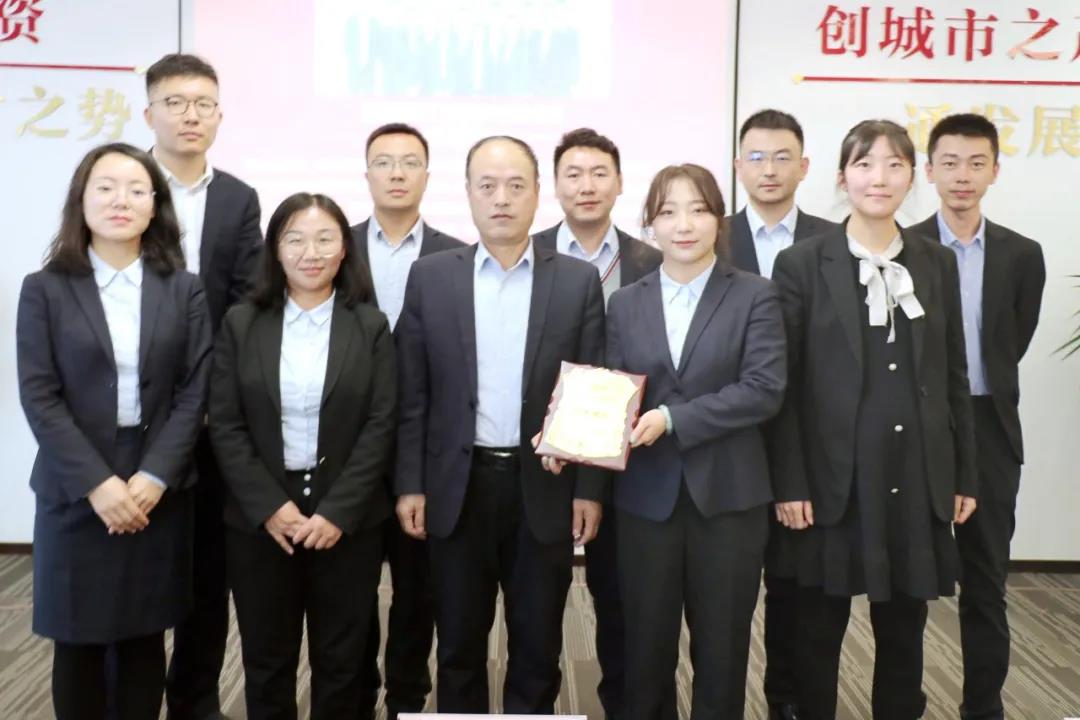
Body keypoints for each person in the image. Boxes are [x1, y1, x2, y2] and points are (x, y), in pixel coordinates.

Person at [770, 119, 978, 720]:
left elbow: (953, 376)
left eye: (893, 165)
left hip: (915, 474)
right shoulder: (802, 263)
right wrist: (790, 482)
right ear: (842, 177)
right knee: (817, 631)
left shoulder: (935, 262)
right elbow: (785, 387)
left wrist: (961, 474)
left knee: (904, 631)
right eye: (864, 164)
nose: (878, 178)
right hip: (831, 479)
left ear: (913, 177)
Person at [394, 135, 606, 713]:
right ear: (467, 193)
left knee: (538, 647)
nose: (502, 199)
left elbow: (591, 389)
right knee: (458, 646)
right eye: (487, 186)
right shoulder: (431, 277)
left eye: (516, 186)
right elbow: (412, 394)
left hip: (545, 485)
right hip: (456, 487)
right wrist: (410, 483)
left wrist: (589, 489)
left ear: (538, 193)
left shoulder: (577, 281)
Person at [16, 142, 212, 720]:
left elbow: (194, 390)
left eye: (135, 189)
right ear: (81, 200)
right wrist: (97, 484)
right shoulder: (45, 288)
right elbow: (40, 395)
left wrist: (155, 476)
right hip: (75, 487)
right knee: (76, 640)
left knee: (142, 638)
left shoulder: (184, 288)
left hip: (156, 486)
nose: (120, 200)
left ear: (155, 206)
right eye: (105, 188)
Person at [600, 164, 786, 719]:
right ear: (650, 224)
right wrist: (568, 433)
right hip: (645, 500)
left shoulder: (755, 295)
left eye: (699, 210)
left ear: (719, 220)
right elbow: (612, 392)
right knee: (645, 648)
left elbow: (763, 390)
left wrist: (672, 419)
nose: (683, 224)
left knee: (722, 650)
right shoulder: (625, 302)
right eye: (668, 212)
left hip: (728, 499)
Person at [209, 193, 396, 719]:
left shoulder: (370, 325)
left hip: (347, 518)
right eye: (294, 239)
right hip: (262, 519)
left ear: (345, 250)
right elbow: (226, 423)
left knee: (343, 661)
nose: (310, 253)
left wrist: (338, 511)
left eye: (324, 239)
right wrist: (269, 506)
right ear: (275, 249)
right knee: (267, 661)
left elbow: (381, 424)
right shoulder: (241, 323)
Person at [911, 113, 1045, 720]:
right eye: (950, 163)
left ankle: (983, 707)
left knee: (986, 581)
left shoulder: (1022, 255)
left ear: (995, 170)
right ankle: (902, 702)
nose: (962, 176)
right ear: (929, 171)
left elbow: (1011, 343)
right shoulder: (903, 248)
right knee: (910, 582)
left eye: (976, 163)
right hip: (916, 427)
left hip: (989, 429)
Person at [143, 52, 263, 720]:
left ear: (219, 115)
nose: (190, 115)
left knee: (208, 573)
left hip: (212, 416)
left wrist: (213, 400)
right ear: (150, 113)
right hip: (136, 416)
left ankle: (195, 700)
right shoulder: (124, 185)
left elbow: (244, 305)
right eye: (176, 102)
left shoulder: (239, 198)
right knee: (134, 566)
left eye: (203, 104)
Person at [531, 127, 661, 719]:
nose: (586, 185)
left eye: (599, 173)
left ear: (620, 182)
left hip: (633, 461)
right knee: (534, 609)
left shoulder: (652, 260)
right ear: (554, 185)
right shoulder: (527, 253)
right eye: (573, 174)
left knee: (622, 602)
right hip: (546, 458)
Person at [349, 122, 463, 720]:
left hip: (426, 447)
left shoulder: (456, 255)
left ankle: (406, 699)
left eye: (410, 162)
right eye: (384, 162)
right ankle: (356, 692)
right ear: (366, 173)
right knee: (351, 586)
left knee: (418, 587)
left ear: (427, 175)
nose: (396, 173)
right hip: (349, 450)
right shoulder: (333, 246)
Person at [730, 108, 835, 720]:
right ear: (738, 165)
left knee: (797, 587)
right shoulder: (709, 234)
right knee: (727, 589)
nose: (768, 169)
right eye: (756, 157)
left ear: (804, 166)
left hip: (809, 442)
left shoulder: (834, 241)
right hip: (731, 438)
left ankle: (785, 701)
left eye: (781, 157)